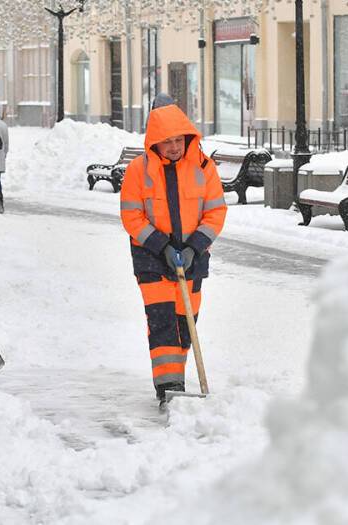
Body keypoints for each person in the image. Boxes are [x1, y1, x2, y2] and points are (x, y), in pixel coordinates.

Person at [120, 93, 227, 409]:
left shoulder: (204, 168)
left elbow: (216, 212)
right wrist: (161, 245)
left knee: (186, 321)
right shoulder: (139, 171)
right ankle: (169, 387)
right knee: (163, 320)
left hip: (193, 258)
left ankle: (175, 376)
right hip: (151, 259)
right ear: (154, 141)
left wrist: (195, 247)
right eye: (166, 141)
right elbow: (132, 215)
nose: (174, 146)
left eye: (178, 139)